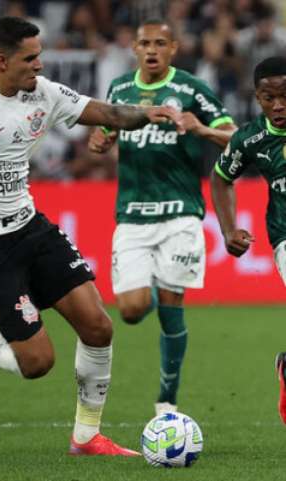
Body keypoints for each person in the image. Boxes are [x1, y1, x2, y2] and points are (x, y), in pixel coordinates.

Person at [0, 16, 183, 456]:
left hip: (31, 227)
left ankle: (86, 437)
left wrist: (149, 113)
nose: (41, 64)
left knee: (98, 327)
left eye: (40, 55)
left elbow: (107, 113)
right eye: (31, 58)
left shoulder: (45, 93)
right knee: (37, 363)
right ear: (1, 61)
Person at [88, 18, 237, 415]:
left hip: (180, 213)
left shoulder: (191, 89)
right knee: (132, 310)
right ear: (134, 49)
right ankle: (153, 287)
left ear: (173, 49)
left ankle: (167, 400)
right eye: (144, 43)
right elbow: (104, 132)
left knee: (173, 305)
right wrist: (100, 139)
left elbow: (234, 135)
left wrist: (201, 128)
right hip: (132, 215)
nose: (151, 50)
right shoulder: (120, 89)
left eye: (160, 43)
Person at [210, 56, 286, 424]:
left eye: (285, 95)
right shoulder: (251, 139)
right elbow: (222, 177)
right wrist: (228, 229)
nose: (278, 105)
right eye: (269, 97)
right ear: (257, 98)